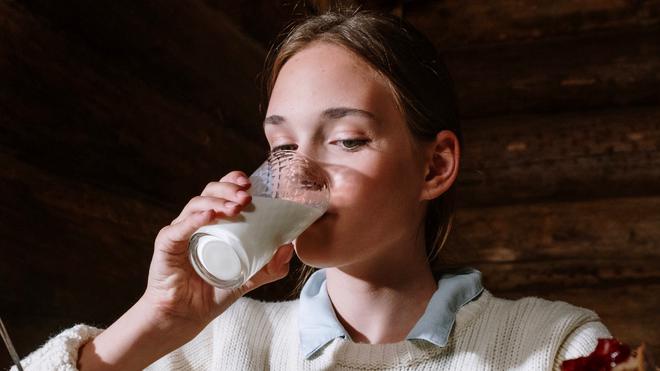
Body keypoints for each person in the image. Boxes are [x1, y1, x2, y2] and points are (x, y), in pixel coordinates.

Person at [13, 7, 611, 371]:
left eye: (347, 139)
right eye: (281, 147)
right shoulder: (213, 347)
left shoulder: (553, 345)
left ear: (434, 167)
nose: (302, 173)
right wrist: (158, 319)